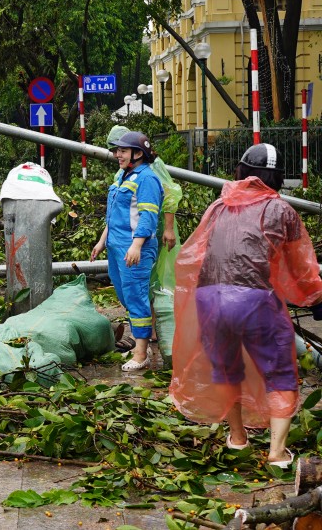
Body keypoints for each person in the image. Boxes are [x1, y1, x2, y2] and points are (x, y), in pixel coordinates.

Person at [170, 144, 322, 468]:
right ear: (278, 178)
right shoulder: (282, 211)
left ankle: (238, 439)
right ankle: (277, 454)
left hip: (209, 298)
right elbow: (302, 271)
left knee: (227, 369)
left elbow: (199, 255)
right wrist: (316, 298)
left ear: (240, 172)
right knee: (280, 371)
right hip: (253, 300)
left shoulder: (217, 207)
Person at [90, 131, 163, 372]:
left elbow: (148, 217)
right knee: (126, 297)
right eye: (116, 150)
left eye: (122, 150)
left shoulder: (147, 179)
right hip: (116, 246)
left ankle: (141, 353)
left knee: (136, 297)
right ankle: (139, 347)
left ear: (138, 153)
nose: (117, 154)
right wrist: (102, 242)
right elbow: (114, 216)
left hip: (134, 249)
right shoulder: (123, 176)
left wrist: (137, 245)